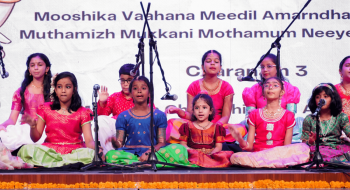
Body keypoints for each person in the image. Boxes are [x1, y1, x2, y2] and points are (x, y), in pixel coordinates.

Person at [105, 76, 195, 167]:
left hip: (154, 152)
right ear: (131, 93)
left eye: (143, 88)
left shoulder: (159, 115)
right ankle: (147, 163)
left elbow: (161, 142)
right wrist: (114, 141)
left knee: (180, 149)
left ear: (149, 93)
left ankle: (138, 163)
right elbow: (119, 144)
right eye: (135, 88)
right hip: (131, 154)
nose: (139, 91)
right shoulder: (123, 116)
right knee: (110, 155)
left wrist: (149, 152)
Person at [166, 50, 247, 145]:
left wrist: (214, 127)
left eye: (216, 62)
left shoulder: (226, 87)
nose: (212, 63)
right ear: (202, 67)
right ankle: (202, 137)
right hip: (196, 126)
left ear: (220, 67)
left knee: (241, 129)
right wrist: (179, 111)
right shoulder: (193, 86)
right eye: (208, 61)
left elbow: (225, 116)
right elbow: (191, 115)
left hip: (216, 128)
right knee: (172, 123)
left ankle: (203, 138)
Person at [18, 72, 95, 167]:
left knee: (91, 154)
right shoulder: (45, 108)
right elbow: (35, 138)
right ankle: (63, 163)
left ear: (74, 90)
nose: (63, 90)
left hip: (74, 153)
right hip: (50, 152)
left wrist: (96, 150)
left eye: (67, 87)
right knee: (26, 149)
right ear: (55, 89)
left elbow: (89, 140)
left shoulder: (83, 112)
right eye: (59, 87)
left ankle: (55, 164)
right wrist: (33, 126)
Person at [229, 77, 309, 168]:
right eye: (267, 85)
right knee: (235, 157)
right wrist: (240, 139)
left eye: (275, 85)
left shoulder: (288, 115)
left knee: (303, 149)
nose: (270, 87)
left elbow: (287, 148)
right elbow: (249, 147)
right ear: (263, 92)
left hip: (279, 155)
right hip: (259, 154)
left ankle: (268, 163)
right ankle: (271, 164)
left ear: (282, 92)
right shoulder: (255, 114)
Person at [242, 54, 301, 142]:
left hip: (283, 129)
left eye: (269, 66)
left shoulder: (288, 88)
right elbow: (249, 118)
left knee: (300, 123)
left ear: (278, 68)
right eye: (262, 67)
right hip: (259, 129)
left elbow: (291, 115)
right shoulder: (254, 90)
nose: (265, 70)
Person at [0, 53, 52, 151]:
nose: (36, 68)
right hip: (26, 131)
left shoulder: (53, 90)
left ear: (47, 68)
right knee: (6, 133)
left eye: (40, 65)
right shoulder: (21, 92)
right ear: (29, 70)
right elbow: (12, 119)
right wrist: (2, 126)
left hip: (46, 131)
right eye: (32, 65)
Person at [179, 93, 233, 168]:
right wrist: (194, 152)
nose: (200, 111)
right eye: (197, 108)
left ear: (211, 111)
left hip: (211, 156)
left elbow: (218, 147)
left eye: (204, 107)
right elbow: (183, 145)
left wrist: (210, 154)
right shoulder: (187, 126)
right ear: (193, 111)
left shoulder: (216, 127)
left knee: (225, 156)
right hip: (193, 156)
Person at [97, 63, 141, 155]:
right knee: (100, 120)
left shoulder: (142, 96)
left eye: (129, 80)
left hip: (135, 129)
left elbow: (151, 113)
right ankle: (109, 155)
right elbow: (102, 116)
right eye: (122, 80)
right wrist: (102, 102)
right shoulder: (115, 97)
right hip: (117, 129)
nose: (125, 84)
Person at [301, 83, 350, 162]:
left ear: (332, 98)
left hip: (336, 148)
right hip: (317, 150)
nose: (321, 99)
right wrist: (310, 141)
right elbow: (303, 145)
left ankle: (334, 160)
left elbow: (349, 132)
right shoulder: (309, 119)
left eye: (325, 96)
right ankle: (334, 160)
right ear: (314, 100)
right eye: (317, 97)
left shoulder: (341, 117)